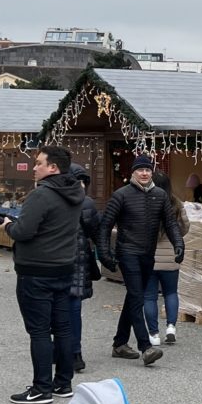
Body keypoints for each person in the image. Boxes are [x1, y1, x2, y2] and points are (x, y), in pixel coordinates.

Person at [5, 144, 85, 404]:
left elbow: (24, 231)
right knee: (62, 328)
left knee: (39, 331)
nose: (34, 167)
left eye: (39, 163)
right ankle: (63, 383)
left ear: (53, 167)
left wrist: (9, 225)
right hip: (63, 267)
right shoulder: (75, 192)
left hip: (36, 270)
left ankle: (41, 388)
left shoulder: (42, 195)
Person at [97, 154, 185, 367]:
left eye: (147, 169)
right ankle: (145, 347)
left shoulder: (160, 195)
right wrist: (104, 253)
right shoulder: (121, 195)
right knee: (138, 296)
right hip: (127, 252)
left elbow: (171, 223)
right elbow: (105, 226)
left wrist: (179, 244)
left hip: (148, 253)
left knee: (133, 297)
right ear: (133, 173)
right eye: (140, 169)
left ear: (151, 172)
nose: (144, 173)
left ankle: (119, 344)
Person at [143, 169, 188, 349]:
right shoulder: (177, 204)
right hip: (171, 257)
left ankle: (153, 334)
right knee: (171, 293)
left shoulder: (144, 201)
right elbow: (185, 228)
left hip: (149, 257)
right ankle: (171, 328)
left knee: (149, 296)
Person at [66, 163, 101, 374]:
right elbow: (95, 232)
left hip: (71, 262)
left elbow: (94, 231)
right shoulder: (85, 202)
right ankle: (73, 351)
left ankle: (72, 351)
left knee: (68, 308)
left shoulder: (57, 200)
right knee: (71, 309)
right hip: (78, 262)